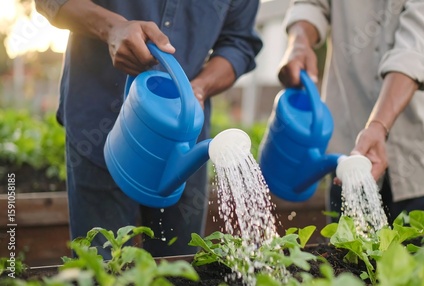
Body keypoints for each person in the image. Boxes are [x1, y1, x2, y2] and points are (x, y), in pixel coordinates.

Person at [35, 0, 262, 258]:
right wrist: (112, 28)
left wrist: (197, 89)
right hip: (96, 124)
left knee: (178, 269)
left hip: (182, 145)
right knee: (101, 267)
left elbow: (239, 43)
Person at [278, 0, 424, 226]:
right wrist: (300, 41)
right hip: (349, 137)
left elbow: (416, 48)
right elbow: (311, 3)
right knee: (346, 257)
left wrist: (378, 125)